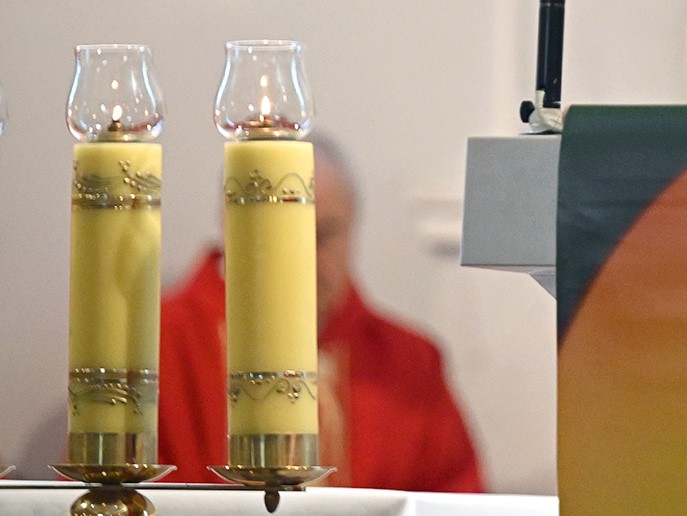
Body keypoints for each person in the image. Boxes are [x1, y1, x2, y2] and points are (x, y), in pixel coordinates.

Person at [158, 133, 484, 492]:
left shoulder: (411, 363)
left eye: (324, 233)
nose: (303, 258)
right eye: (281, 234)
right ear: (228, 224)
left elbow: (457, 505)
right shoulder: (161, 347)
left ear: (352, 224)